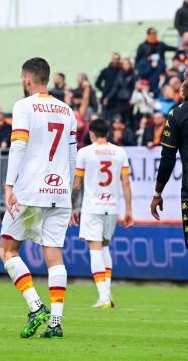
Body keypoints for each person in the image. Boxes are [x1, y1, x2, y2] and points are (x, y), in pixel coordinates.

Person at [0, 57, 76, 339]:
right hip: (60, 193)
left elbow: (18, 146)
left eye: (22, 78)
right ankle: (56, 322)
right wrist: (69, 192)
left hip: (30, 192)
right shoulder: (67, 110)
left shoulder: (24, 106)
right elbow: (71, 155)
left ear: (27, 79)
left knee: (7, 251)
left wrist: (9, 185)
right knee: (54, 256)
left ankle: (35, 307)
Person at [71, 119, 133, 309]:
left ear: (91, 133)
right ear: (108, 133)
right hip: (112, 207)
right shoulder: (120, 152)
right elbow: (125, 182)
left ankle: (104, 296)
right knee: (105, 247)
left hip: (92, 207)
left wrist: (73, 207)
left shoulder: (84, 152)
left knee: (95, 249)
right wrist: (129, 209)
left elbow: (77, 185)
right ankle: (106, 294)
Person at [151, 65, 188, 249]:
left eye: (186, 79)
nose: (181, 85)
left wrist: (157, 193)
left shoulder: (178, 114)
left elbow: (167, 159)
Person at [96, 53, 122, 119]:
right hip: (106, 99)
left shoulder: (121, 72)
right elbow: (97, 83)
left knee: (115, 119)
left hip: (117, 100)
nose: (115, 60)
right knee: (104, 118)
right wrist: (104, 90)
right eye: (114, 59)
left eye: (117, 59)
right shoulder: (106, 71)